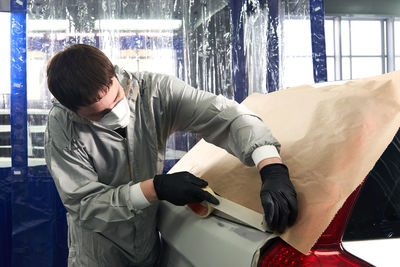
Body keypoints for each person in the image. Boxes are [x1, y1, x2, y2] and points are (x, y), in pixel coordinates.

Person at [44, 44, 297, 267]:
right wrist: (155, 189)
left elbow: (229, 117)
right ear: (73, 111)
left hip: (148, 246)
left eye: (118, 99)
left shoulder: (155, 92)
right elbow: (84, 204)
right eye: (99, 115)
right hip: (97, 252)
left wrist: (271, 166)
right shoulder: (63, 127)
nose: (115, 114)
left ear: (114, 75)